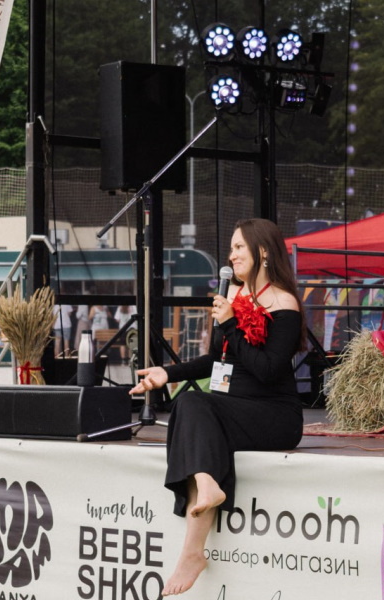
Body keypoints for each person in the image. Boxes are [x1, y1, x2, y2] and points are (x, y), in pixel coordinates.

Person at [131, 218, 305, 596]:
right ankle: (195, 541)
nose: (232, 256)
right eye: (231, 249)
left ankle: (195, 537)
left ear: (262, 251)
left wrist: (230, 325)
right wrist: (167, 373)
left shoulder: (284, 303)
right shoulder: (234, 298)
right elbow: (216, 361)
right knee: (188, 401)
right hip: (233, 407)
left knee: (194, 406)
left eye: (239, 247)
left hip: (273, 414)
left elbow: (268, 370)